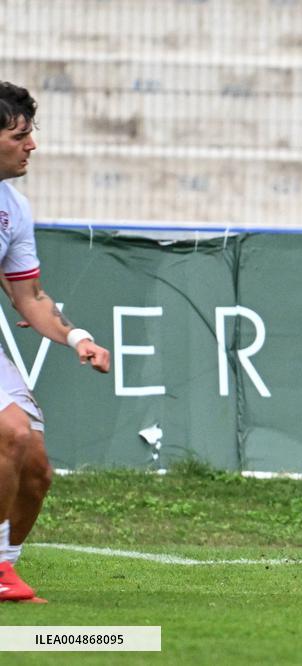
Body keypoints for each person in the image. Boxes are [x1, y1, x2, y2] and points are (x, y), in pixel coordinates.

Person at [0, 82, 111, 602]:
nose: (32, 145)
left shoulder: (14, 209)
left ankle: (3, 569)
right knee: (12, 433)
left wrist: (78, 337)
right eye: (19, 135)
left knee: (36, 468)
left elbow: (30, 296)